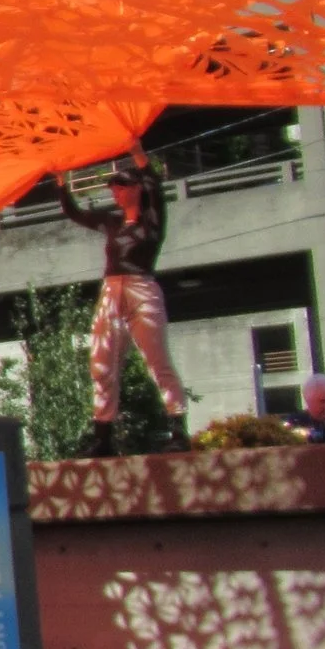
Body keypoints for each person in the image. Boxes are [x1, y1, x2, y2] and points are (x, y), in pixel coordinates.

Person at [58, 151, 189, 457]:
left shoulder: (151, 221)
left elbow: (156, 189)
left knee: (157, 360)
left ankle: (179, 430)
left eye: (121, 186)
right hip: (112, 289)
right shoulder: (111, 222)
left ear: (137, 188)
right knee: (101, 362)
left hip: (141, 287)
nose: (115, 192)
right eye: (113, 187)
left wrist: (139, 154)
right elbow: (76, 213)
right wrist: (61, 183)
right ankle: (103, 436)